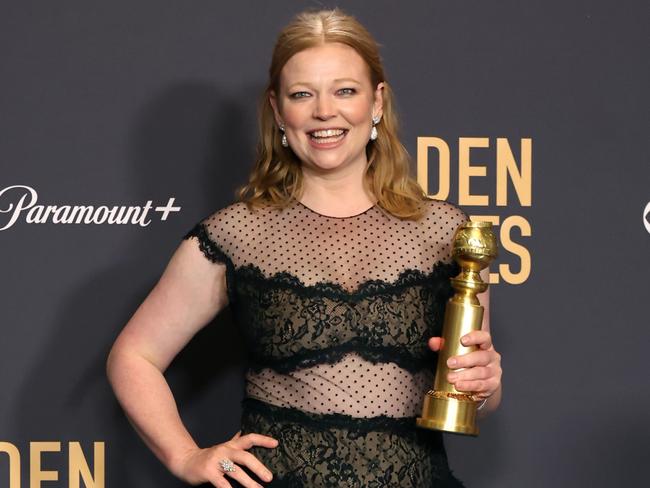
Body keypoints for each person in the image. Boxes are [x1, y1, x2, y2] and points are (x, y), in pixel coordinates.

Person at [106, 8, 502, 488]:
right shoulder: (236, 234)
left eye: (345, 91)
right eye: (302, 95)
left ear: (377, 102)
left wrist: (486, 383)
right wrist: (186, 457)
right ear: (277, 110)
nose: (323, 112)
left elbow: (475, 390)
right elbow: (134, 357)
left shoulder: (447, 232)